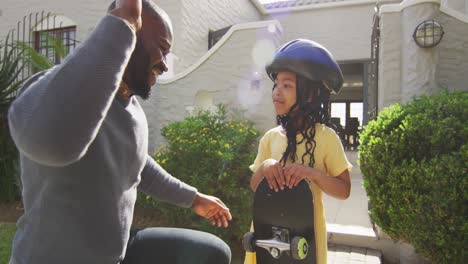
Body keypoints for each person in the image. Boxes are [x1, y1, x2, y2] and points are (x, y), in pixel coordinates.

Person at [7, 0, 232, 263]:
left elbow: (137, 164)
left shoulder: (132, 109)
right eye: (161, 48)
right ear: (129, 36)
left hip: (113, 255)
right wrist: (123, 22)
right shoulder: (58, 95)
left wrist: (194, 198)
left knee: (212, 252)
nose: (165, 65)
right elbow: (51, 143)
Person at [244, 39, 352, 264]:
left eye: (287, 85)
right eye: (276, 84)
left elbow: (344, 190)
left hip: (306, 240)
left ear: (309, 94)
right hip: (266, 235)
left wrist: (312, 174)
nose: (277, 91)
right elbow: (255, 185)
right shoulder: (271, 137)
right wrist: (265, 168)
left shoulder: (326, 138)